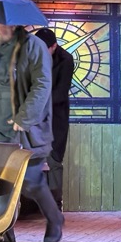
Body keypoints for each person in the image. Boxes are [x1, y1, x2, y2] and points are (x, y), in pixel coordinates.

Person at [0, 23, 65, 242]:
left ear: (12, 25)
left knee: (31, 180)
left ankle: (55, 218)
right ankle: (3, 233)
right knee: (1, 182)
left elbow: (42, 85)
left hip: (23, 127)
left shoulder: (34, 46)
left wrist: (24, 118)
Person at [34, 28, 75, 212]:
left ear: (54, 46)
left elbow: (60, 93)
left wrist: (37, 102)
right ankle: (29, 206)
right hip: (34, 116)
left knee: (54, 159)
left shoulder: (66, 60)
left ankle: (55, 206)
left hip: (56, 116)